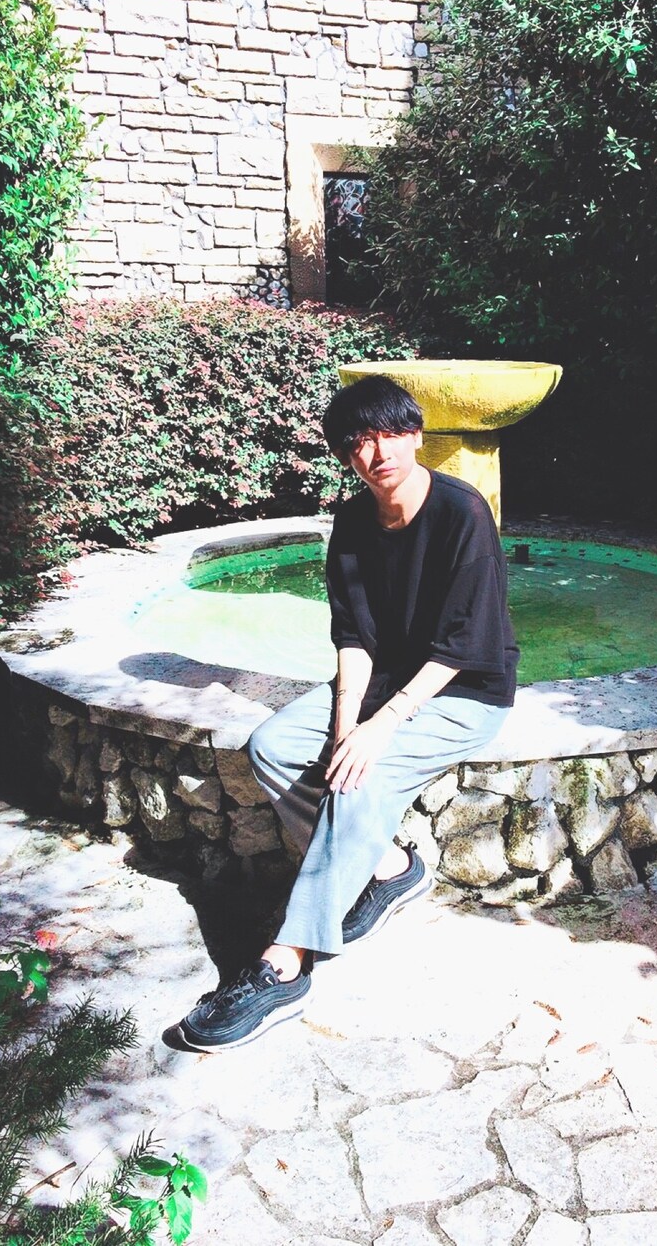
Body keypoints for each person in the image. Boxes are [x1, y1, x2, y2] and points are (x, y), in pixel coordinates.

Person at [178, 374, 518, 1051]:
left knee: (362, 778)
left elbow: (462, 646)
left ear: (416, 436)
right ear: (345, 455)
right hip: (383, 682)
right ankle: (389, 867)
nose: (378, 452)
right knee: (275, 746)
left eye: (391, 433)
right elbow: (355, 637)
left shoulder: (463, 513)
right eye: (360, 441)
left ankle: (285, 963)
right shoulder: (354, 523)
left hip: (463, 689)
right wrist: (345, 726)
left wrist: (379, 727)